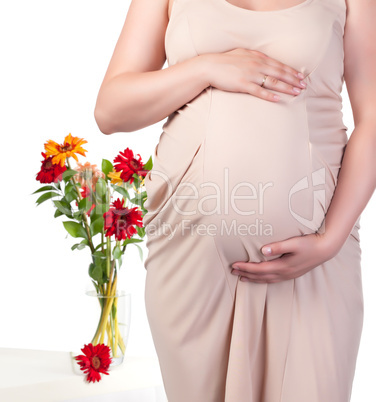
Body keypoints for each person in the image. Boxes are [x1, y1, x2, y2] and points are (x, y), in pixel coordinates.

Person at [94, 0, 376, 400]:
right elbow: (110, 110)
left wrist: (330, 239)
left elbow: (374, 117)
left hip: (318, 259)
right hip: (190, 256)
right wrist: (206, 67)